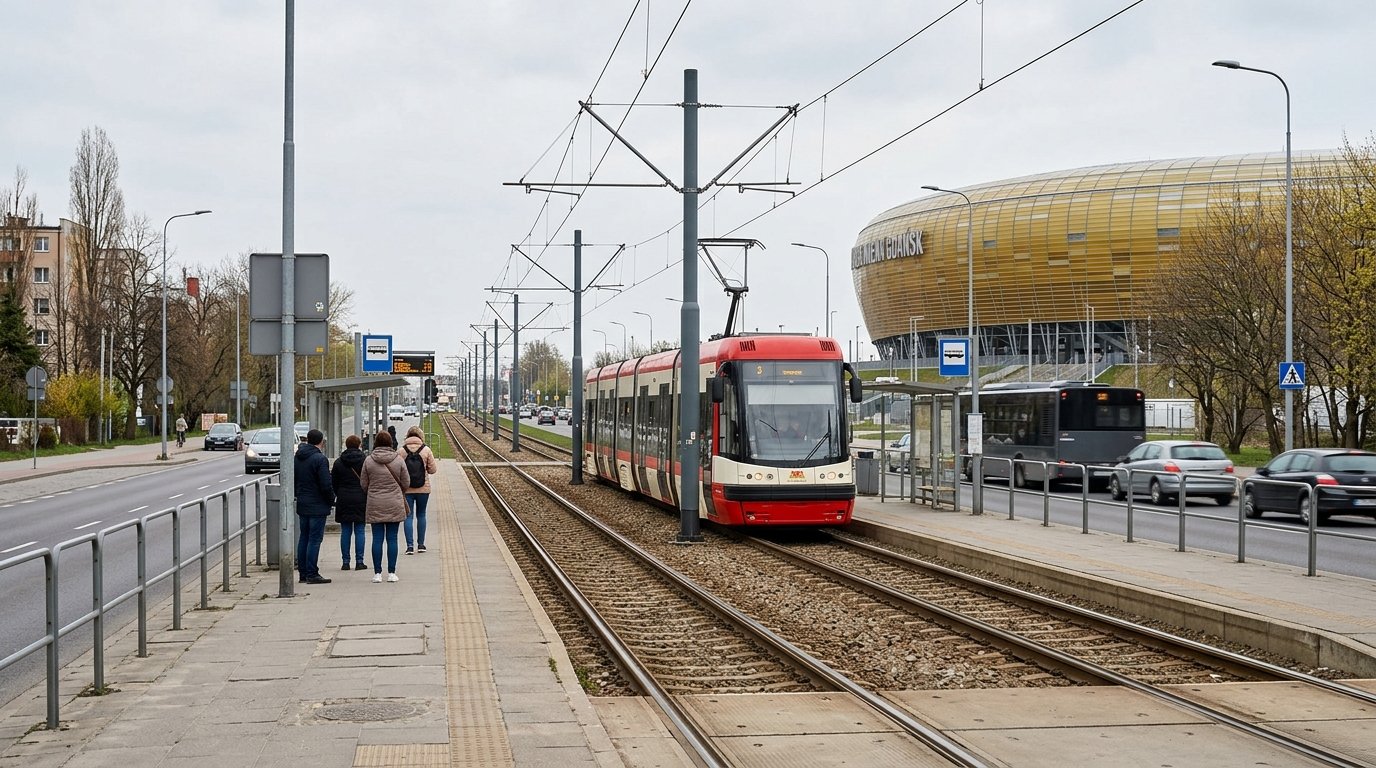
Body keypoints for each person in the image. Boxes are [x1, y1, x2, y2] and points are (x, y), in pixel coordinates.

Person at [360, 429, 407, 583]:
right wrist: (397, 492)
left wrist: (373, 492)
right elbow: (406, 482)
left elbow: (363, 483)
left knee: (377, 539)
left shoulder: (368, 460)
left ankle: (377, 574)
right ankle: (392, 573)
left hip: (375, 503)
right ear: (390, 443)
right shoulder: (399, 459)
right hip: (394, 502)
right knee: (392, 539)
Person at [294, 429, 335, 584]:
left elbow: (294, 478)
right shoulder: (320, 459)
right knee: (315, 539)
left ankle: (303, 573)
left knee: (304, 537)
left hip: (303, 502)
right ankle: (312, 573)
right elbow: (325, 484)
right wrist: (331, 499)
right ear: (321, 442)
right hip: (317, 504)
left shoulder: (297, 457)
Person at [331, 434, 368, 571]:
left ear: (346, 445)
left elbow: (333, 482)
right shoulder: (365, 460)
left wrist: (339, 493)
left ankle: (345, 562)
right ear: (359, 445)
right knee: (360, 530)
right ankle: (359, 561)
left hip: (344, 498)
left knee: (345, 530)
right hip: (361, 498)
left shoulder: (339, 462)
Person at [400, 425, 439, 554]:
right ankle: (421, 545)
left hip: (407, 489)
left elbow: (397, 469)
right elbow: (433, 470)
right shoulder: (426, 450)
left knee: (408, 516)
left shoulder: (402, 451)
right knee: (421, 515)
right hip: (423, 489)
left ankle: (409, 547)